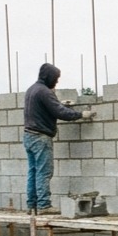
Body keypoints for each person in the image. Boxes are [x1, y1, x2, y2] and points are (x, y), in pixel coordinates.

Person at [23, 63, 95, 213]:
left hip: (29, 136)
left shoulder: (32, 89)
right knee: (44, 172)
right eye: (55, 79)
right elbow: (60, 113)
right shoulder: (44, 91)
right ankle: (44, 205)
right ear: (48, 77)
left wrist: (58, 103)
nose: (56, 82)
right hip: (40, 137)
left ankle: (32, 205)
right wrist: (81, 114)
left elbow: (46, 108)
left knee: (33, 171)